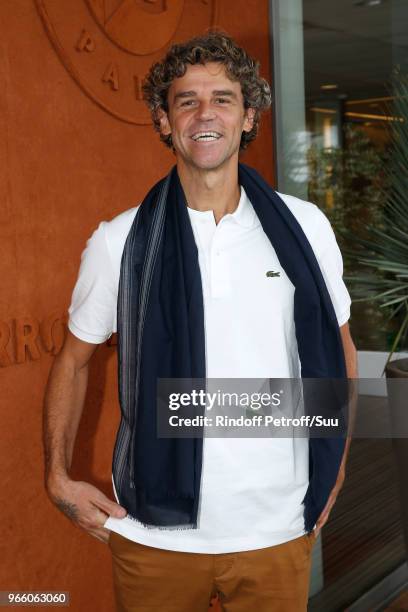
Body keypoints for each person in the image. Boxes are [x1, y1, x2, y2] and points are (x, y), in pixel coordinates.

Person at [43, 31, 358, 611]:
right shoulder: (119, 241)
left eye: (223, 98)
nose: (204, 113)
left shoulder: (306, 228)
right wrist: (58, 477)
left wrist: (334, 466)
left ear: (248, 116)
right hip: (152, 532)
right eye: (186, 100)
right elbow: (73, 360)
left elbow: (338, 350)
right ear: (165, 121)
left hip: (276, 529)